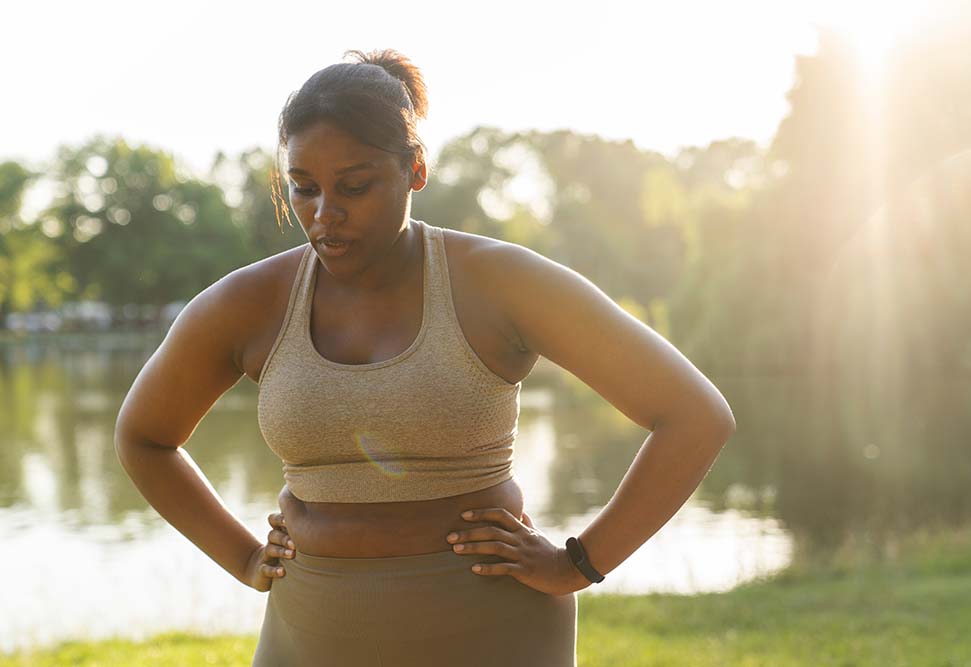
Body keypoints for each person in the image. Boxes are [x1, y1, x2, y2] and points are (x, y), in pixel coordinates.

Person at [114, 48, 736, 666]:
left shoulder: (502, 282)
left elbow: (693, 415)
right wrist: (244, 557)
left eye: (354, 187)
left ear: (416, 170)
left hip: (493, 630)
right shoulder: (248, 304)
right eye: (303, 189)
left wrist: (580, 561)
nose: (325, 216)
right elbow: (144, 437)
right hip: (312, 630)